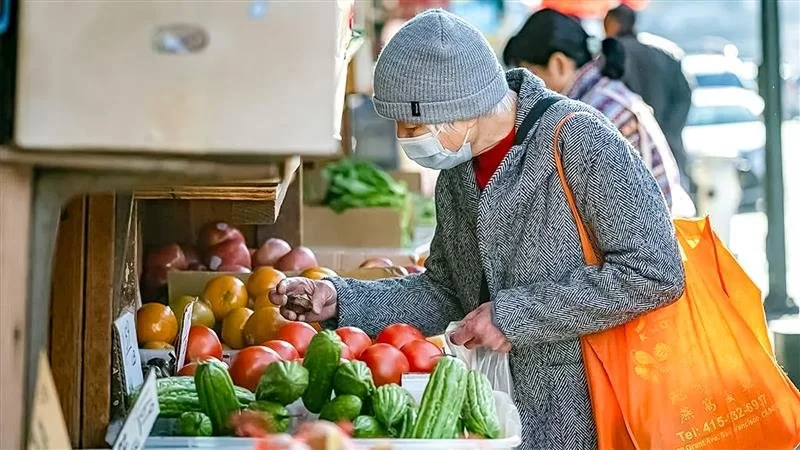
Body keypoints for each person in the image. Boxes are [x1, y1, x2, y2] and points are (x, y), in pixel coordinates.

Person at [270, 9, 685, 449]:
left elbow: (656, 272)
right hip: (503, 415)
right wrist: (342, 299)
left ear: (461, 108)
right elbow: (446, 291)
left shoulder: (579, 139)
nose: (406, 139)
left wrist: (514, 316)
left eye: (413, 125)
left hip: (593, 415)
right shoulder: (457, 172)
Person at [503, 8, 695, 217]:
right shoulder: (599, 94)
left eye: (533, 73)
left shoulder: (591, 114)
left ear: (558, 64)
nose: (528, 91)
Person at [604, 4, 694, 191]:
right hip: (669, 146)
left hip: (631, 153)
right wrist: (669, 130)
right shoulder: (665, 53)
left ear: (612, 24)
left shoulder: (610, 57)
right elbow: (684, 96)